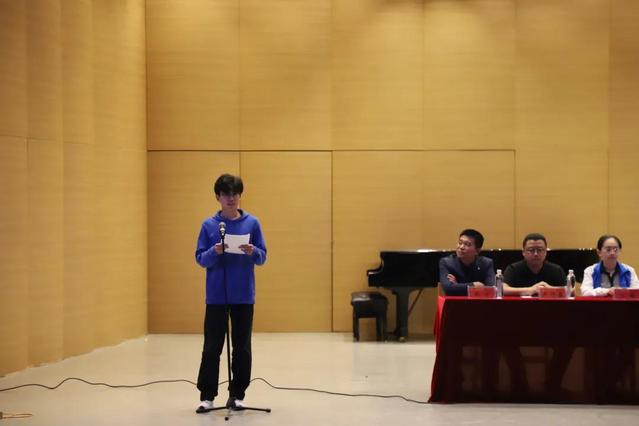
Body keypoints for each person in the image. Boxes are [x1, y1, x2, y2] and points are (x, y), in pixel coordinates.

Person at [194, 174, 267, 414]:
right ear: (218, 197)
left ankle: (237, 394)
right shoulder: (209, 225)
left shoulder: (252, 223)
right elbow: (200, 259)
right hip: (216, 296)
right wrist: (214, 251)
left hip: (243, 295)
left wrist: (253, 251)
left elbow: (263, 257)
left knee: (242, 347)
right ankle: (207, 396)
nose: (231, 198)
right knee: (211, 347)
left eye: (235, 194)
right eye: (226, 194)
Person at [439, 229, 495, 296]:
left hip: (480, 302)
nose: (461, 247)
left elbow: (492, 289)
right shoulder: (447, 263)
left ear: (477, 251)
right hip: (455, 302)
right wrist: (473, 285)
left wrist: (457, 285)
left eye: (467, 244)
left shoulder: (486, 263)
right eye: (460, 243)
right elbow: (448, 289)